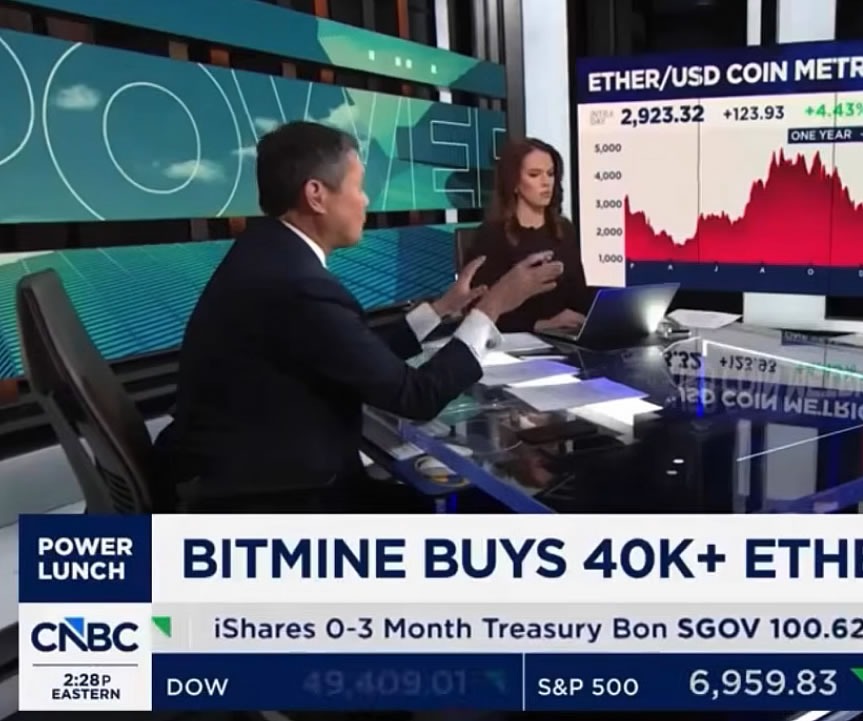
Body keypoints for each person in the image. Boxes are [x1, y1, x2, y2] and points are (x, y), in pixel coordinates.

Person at [151, 121, 562, 511]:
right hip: (282, 500)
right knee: (490, 510)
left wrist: (440, 309)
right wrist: (493, 307)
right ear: (316, 195)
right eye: (358, 187)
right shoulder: (297, 284)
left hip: (259, 475)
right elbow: (416, 396)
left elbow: (352, 351)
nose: (365, 201)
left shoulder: (268, 252)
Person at [469, 137, 592, 333]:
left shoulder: (564, 229)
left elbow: (580, 295)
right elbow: (478, 313)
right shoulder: (491, 235)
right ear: (514, 183)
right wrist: (540, 325)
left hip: (565, 336)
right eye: (534, 175)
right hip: (515, 341)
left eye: (550, 174)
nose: (546, 182)